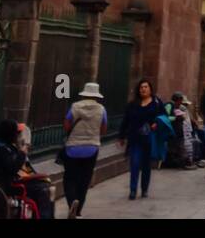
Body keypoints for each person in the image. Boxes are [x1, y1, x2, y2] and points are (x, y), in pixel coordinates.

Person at [62, 80, 108, 216]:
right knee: (84, 179)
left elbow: (66, 125)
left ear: (84, 94)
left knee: (69, 179)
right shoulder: (101, 109)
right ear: (97, 96)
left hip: (72, 148)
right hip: (92, 148)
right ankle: (78, 211)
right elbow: (103, 130)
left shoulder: (75, 107)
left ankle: (72, 202)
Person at [119, 78, 164, 200]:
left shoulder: (156, 103)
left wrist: (156, 123)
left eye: (146, 87)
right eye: (141, 87)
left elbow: (164, 117)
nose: (143, 89)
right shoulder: (133, 104)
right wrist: (122, 136)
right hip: (135, 139)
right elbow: (126, 120)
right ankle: (133, 190)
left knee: (146, 166)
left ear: (150, 89)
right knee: (134, 164)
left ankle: (144, 189)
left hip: (149, 139)